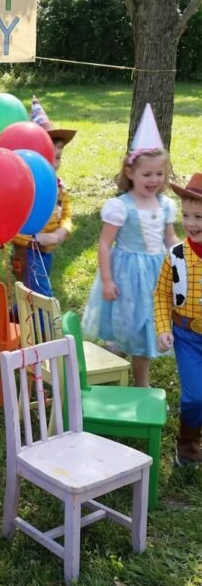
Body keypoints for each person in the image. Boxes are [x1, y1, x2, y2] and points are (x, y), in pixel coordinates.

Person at [82, 104, 179, 388]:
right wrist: (107, 280)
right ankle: (120, 352)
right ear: (130, 172)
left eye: (159, 174)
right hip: (127, 274)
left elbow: (170, 239)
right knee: (129, 321)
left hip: (156, 273)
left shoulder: (165, 205)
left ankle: (141, 381)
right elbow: (104, 244)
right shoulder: (121, 207)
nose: (154, 180)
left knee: (148, 326)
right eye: (147, 174)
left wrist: (182, 259)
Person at [154, 172, 202, 466]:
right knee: (195, 396)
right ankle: (187, 444)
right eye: (186, 215)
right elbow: (161, 295)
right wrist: (163, 329)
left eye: (199, 217)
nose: (191, 223)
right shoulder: (176, 256)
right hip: (187, 337)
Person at [11, 95, 76, 296]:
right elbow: (12, 223)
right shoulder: (24, 188)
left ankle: (18, 312)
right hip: (27, 252)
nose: (54, 163)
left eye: (58, 157)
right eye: (49, 157)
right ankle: (46, 316)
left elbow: (66, 214)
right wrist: (34, 238)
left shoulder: (59, 186)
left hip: (47, 250)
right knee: (41, 295)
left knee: (30, 293)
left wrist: (60, 233)